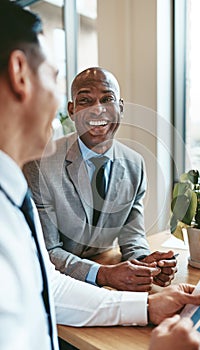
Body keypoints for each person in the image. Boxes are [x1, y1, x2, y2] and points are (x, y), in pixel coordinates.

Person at [0, 2, 200, 350]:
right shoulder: (30, 173)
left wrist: (146, 301)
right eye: (54, 77)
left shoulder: (10, 188)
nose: (96, 111)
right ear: (20, 73)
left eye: (106, 100)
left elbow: (47, 284)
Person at [24, 66, 178, 292]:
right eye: (85, 100)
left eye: (107, 99)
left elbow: (131, 234)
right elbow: (48, 251)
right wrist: (103, 274)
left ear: (120, 108)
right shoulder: (39, 164)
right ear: (72, 110)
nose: (97, 110)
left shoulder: (135, 164)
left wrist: (145, 263)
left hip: (106, 269)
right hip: (56, 285)